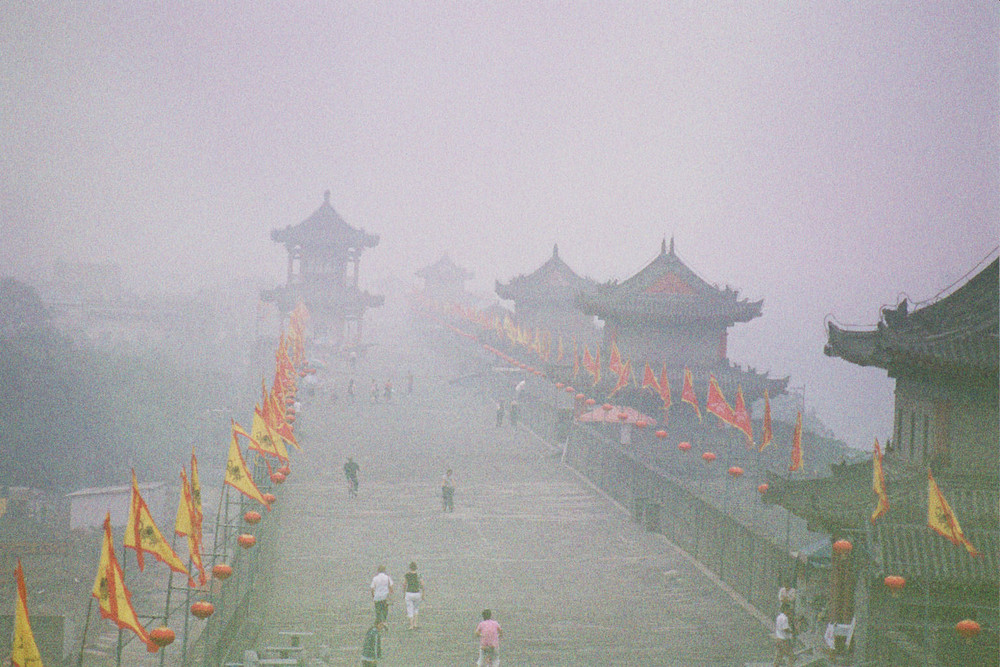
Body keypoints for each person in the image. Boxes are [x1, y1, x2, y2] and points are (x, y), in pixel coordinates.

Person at [402, 561, 424, 630]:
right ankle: (415, 624)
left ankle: (411, 625)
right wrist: (423, 592)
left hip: (409, 593)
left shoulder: (407, 575)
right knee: (416, 608)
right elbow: (422, 584)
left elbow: (404, 584)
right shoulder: (418, 575)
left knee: (410, 609)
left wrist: (404, 592)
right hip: (417, 593)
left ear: (410, 568)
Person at [773, 602, 794, 666]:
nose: (789, 610)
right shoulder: (785, 618)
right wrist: (792, 632)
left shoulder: (779, 617)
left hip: (778, 638)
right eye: (788, 609)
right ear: (786, 609)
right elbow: (785, 629)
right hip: (784, 640)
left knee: (779, 655)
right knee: (791, 655)